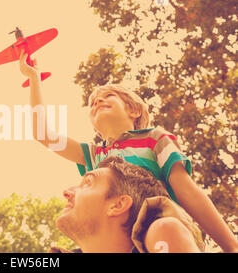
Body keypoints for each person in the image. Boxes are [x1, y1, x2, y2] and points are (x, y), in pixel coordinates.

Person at [18, 50, 238, 252]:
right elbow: (43, 134)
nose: (98, 101)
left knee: (162, 230)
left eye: (108, 96)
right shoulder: (95, 155)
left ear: (133, 109)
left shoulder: (155, 139)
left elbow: (187, 190)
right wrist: (34, 79)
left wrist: (230, 245)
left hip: (154, 226)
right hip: (112, 237)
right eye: (93, 102)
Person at [51, 156, 203, 253]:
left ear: (117, 205)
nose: (66, 192)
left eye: (87, 183)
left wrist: (166, 232)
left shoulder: (163, 232)